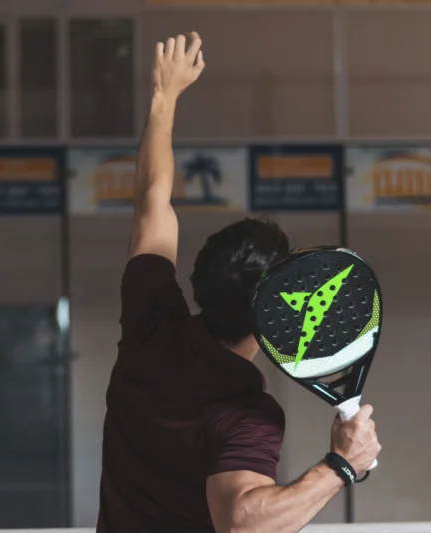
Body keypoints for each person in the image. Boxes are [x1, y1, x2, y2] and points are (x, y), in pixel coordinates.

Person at [97, 33, 382, 533]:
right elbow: (242, 523)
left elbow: (151, 201)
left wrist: (164, 98)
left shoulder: (150, 324)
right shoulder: (245, 414)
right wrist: (341, 465)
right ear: (274, 314)